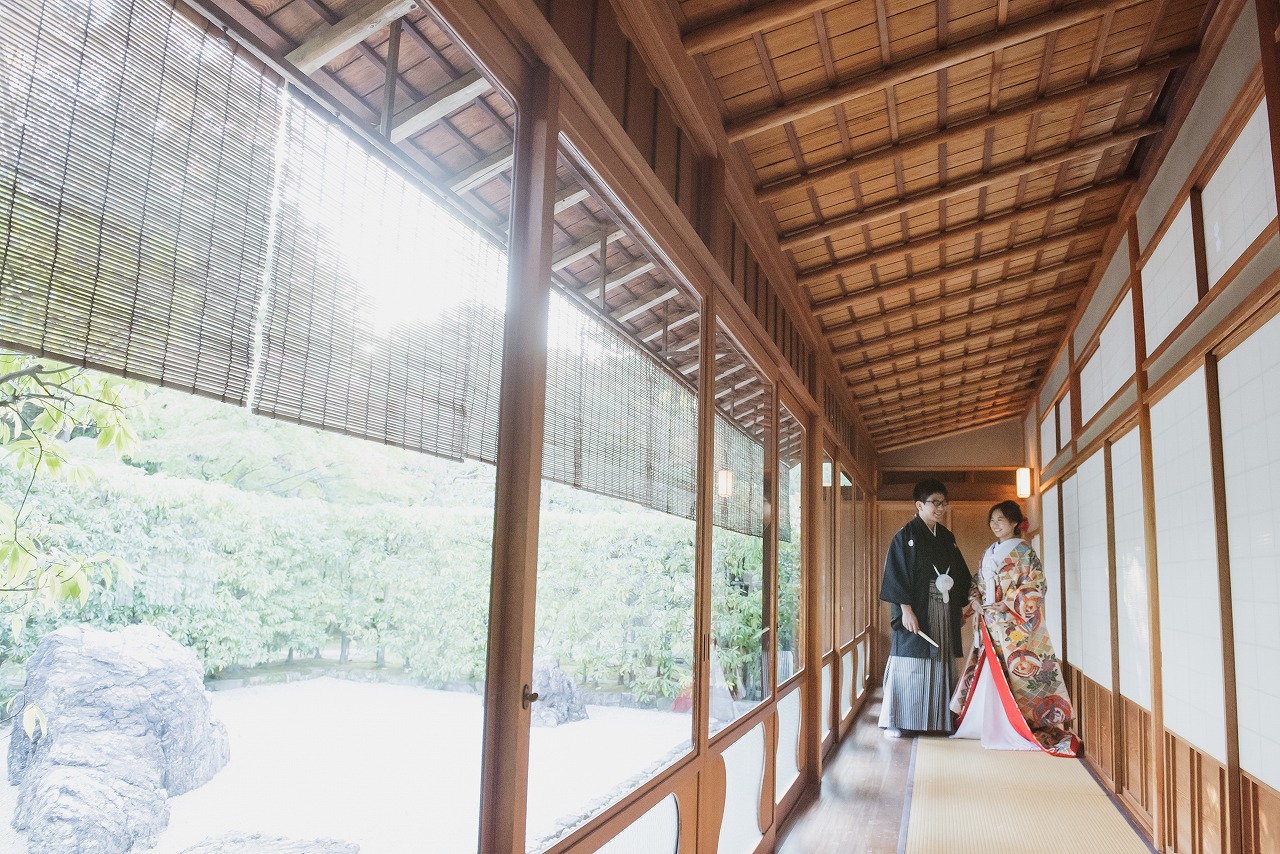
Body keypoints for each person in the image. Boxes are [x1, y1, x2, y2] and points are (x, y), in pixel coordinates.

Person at [950, 500, 1079, 756]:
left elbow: (1036, 585)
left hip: (1013, 624)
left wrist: (1008, 604)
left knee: (1017, 672)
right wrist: (975, 600)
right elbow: (977, 582)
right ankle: (985, 722)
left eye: (1001, 520)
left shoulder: (1024, 552)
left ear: (1014, 523)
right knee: (989, 669)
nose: (995, 524)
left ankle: (1015, 725)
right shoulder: (989, 552)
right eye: (992, 520)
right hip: (989, 621)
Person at [878, 479, 971, 737]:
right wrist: (905, 610)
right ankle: (897, 721)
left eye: (944, 503)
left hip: (943, 608)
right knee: (910, 662)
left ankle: (938, 720)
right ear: (919, 505)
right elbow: (896, 575)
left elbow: (960, 575)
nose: (941, 508)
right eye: (935, 503)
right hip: (916, 609)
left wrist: (958, 608)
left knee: (941, 660)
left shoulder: (947, 537)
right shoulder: (905, 536)